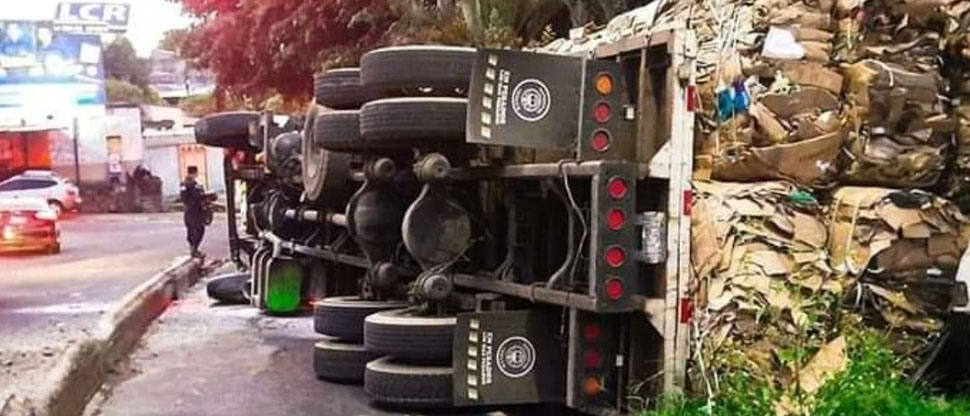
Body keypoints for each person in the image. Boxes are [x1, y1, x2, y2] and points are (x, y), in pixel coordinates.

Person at [180, 166, 207, 257]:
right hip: (195, 211)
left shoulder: (183, 184)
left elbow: (183, 197)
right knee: (199, 230)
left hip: (187, 211)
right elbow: (198, 197)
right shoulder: (194, 185)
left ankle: (193, 249)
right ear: (195, 173)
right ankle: (194, 249)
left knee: (190, 230)